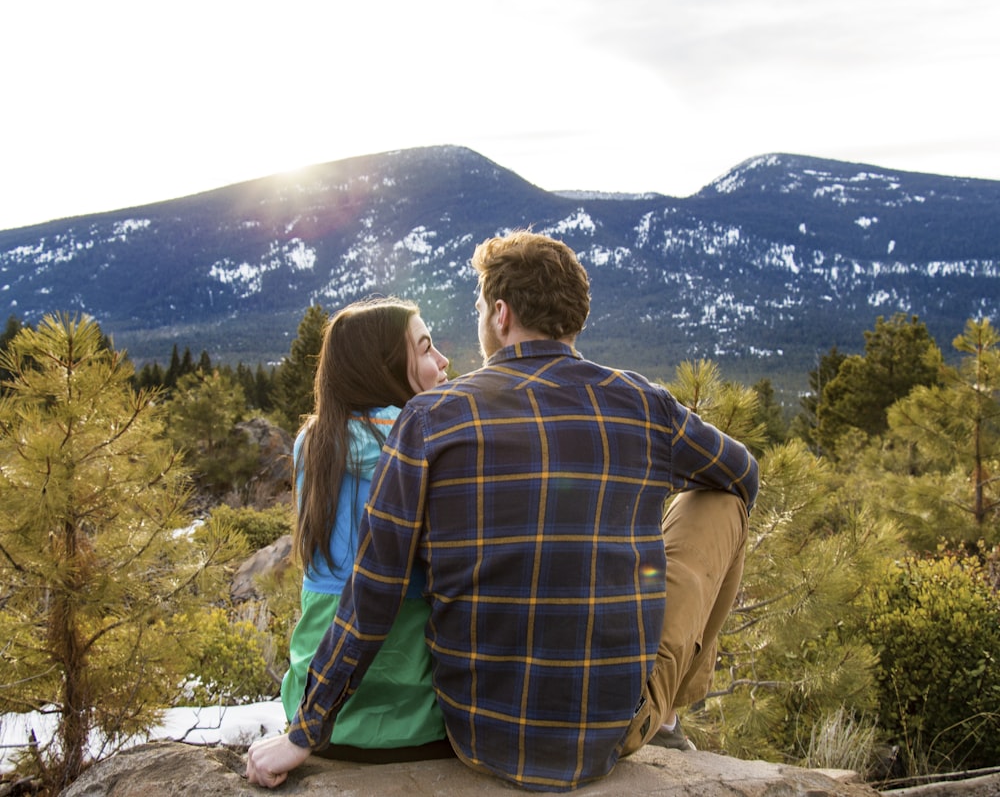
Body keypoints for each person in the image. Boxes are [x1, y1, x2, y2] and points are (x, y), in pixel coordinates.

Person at [247, 231, 759, 792]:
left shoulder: (430, 419)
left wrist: (305, 730)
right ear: (574, 317)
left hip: (478, 735)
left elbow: (374, 587)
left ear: (500, 313)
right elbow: (742, 474)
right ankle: (669, 708)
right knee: (722, 496)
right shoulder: (644, 403)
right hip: (610, 733)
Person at [278, 296, 452, 762]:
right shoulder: (431, 441)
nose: (442, 360)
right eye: (426, 348)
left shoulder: (312, 443)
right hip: (417, 717)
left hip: (318, 715)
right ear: (387, 367)